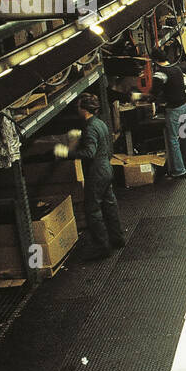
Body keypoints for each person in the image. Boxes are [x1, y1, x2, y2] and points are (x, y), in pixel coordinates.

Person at [55, 94, 124, 261]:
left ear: (84, 109)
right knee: (109, 205)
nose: (77, 109)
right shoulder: (100, 123)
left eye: (78, 106)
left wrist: (66, 153)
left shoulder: (90, 127)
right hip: (106, 168)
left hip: (96, 173)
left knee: (92, 210)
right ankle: (117, 239)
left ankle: (102, 248)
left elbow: (89, 152)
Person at [151, 46, 186, 179]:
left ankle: (179, 171)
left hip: (174, 110)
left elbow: (154, 93)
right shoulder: (176, 68)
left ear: (155, 61)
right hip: (185, 105)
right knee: (185, 135)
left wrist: (143, 97)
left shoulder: (160, 74)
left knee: (173, 140)